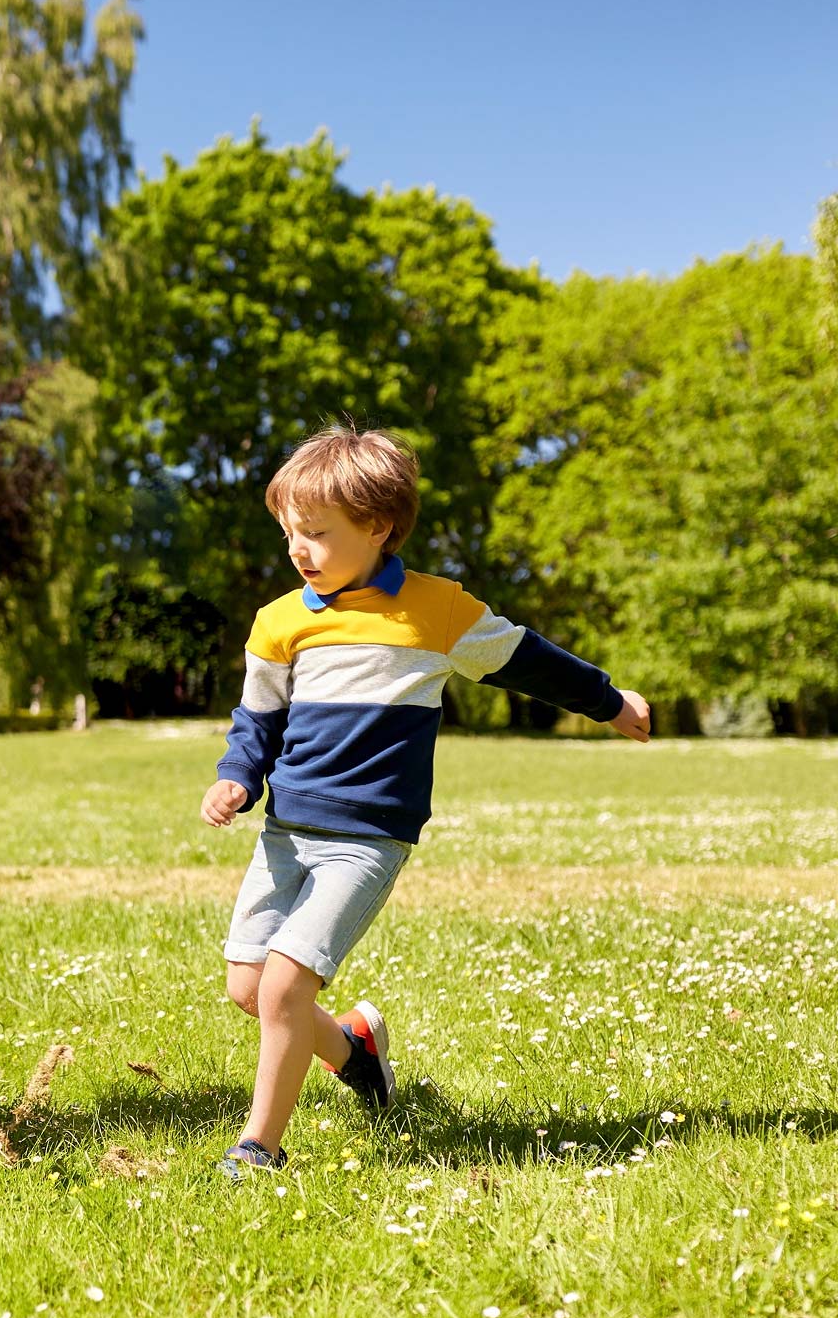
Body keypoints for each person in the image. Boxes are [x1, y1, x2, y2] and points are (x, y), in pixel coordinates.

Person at [200, 424, 650, 1181]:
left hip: (367, 838)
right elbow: (258, 721)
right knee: (248, 989)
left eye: (315, 533)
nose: (298, 550)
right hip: (285, 833)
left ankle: (260, 1147)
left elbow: (531, 661)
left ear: (378, 527)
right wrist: (237, 777)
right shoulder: (280, 622)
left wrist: (610, 702)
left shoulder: (437, 611)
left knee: (283, 985)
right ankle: (357, 1054)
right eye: (289, 534)